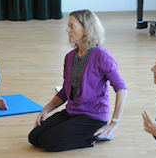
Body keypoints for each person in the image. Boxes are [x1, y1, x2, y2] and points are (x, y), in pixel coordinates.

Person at [28, 9, 127, 152]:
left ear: (86, 30)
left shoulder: (101, 55)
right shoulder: (69, 57)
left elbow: (121, 89)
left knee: (48, 142)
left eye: (72, 26)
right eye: (68, 26)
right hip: (72, 112)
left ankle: (93, 137)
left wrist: (114, 122)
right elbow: (64, 91)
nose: (67, 30)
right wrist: (46, 110)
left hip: (92, 117)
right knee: (34, 137)